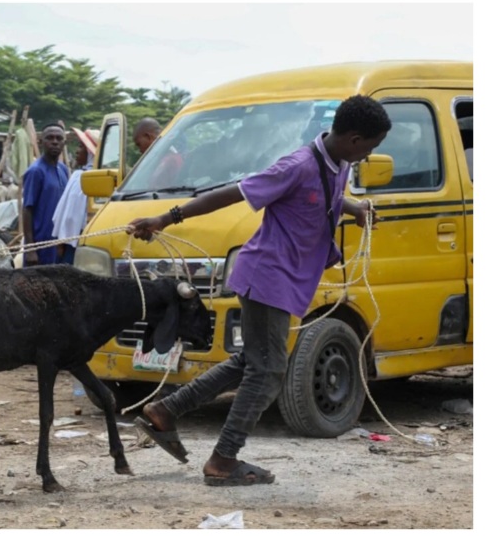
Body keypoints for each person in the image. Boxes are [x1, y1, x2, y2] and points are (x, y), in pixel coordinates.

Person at [127, 95, 390, 487]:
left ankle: (166, 410)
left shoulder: (337, 164)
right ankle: (223, 459)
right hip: (268, 277)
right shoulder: (297, 165)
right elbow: (233, 193)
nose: (369, 155)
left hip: (285, 278)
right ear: (354, 139)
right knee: (268, 371)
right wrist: (167, 218)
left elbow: (326, 195)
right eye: (370, 148)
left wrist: (354, 209)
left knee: (252, 359)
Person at [22, 123, 69, 266]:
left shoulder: (63, 170)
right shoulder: (35, 171)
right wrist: (30, 249)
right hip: (40, 245)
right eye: (50, 138)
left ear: (64, 143)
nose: (55, 142)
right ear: (41, 142)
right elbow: (27, 209)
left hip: (58, 244)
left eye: (59, 138)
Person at [51, 127, 99, 264]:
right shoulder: (81, 175)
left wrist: (61, 240)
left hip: (73, 243)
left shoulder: (83, 178)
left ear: (90, 153)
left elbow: (70, 215)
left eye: (81, 147)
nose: (77, 151)